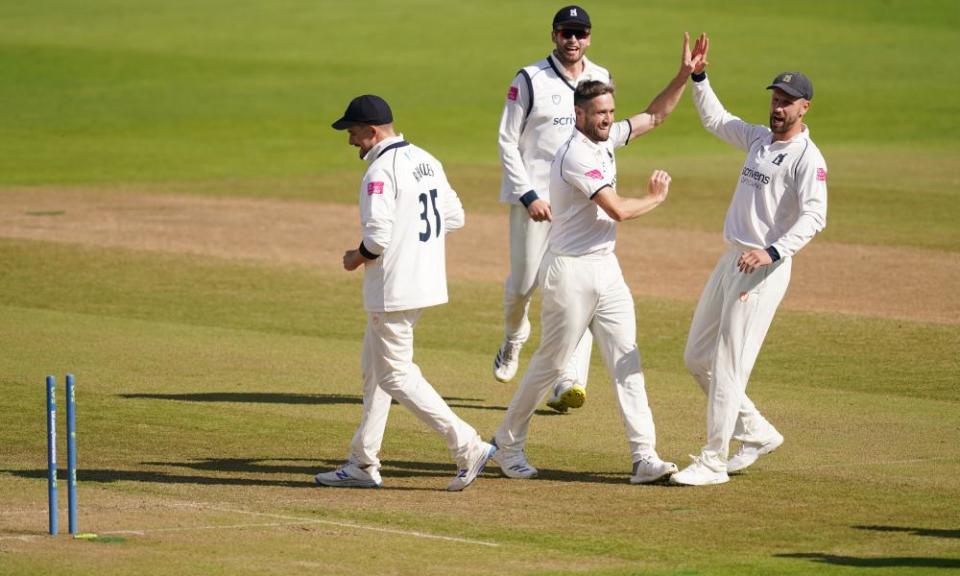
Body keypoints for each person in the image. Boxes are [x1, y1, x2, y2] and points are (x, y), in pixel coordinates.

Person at [493, 33, 708, 484]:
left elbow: (654, 116)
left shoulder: (605, 139)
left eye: (611, 112)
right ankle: (507, 443)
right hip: (569, 271)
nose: (609, 120)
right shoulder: (574, 154)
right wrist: (656, 197)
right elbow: (617, 210)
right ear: (579, 115)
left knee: (626, 359)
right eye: (600, 114)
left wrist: (684, 75)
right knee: (551, 364)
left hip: (606, 269)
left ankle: (644, 457)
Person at [314, 94, 496, 492]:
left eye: (354, 132)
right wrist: (415, 244)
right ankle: (363, 462)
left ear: (374, 131)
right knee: (374, 370)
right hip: (423, 282)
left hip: (393, 288)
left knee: (395, 374)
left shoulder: (380, 171)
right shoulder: (426, 159)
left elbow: (376, 238)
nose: (350, 141)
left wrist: (354, 258)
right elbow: (454, 217)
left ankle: (468, 446)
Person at [671, 37, 828, 486]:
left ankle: (714, 459)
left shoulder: (808, 160)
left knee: (726, 363)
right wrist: (698, 76)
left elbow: (816, 216)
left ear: (805, 109)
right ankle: (755, 431)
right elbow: (717, 120)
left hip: (763, 267)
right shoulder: (760, 139)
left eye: (787, 103)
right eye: (775, 100)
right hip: (732, 258)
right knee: (696, 356)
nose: (778, 108)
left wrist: (772, 250)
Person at [493, 5, 612, 413]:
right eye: (566, 33)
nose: (573, 40)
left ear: (590, 37)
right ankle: (513, 338)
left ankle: (568, 380)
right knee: (524, 285)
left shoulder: (601, 78)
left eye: (580, 33)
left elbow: (604, 139)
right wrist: (527, 195)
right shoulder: (529, 79)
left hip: (577, 204)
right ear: (554, 35)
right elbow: (507, 140)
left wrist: (603, 191)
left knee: (574, 289)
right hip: (534, 201)